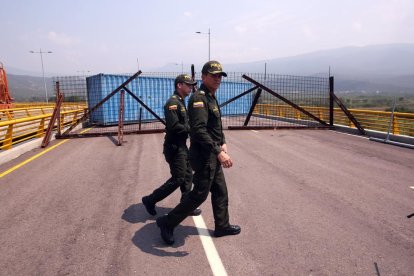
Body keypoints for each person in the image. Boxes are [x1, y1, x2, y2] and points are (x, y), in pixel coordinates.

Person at [156, 61, 240, 245]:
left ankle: (222, 226)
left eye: (220, 76)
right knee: (199, 195)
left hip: (213, 152)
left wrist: (223, 142)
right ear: (203, 77)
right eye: (214, 75)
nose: (218, 79)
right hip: (205, 155)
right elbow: (199, 130)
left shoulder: (211, 96)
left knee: (220, 191)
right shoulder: (199, 99)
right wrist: (218, 150)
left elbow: (215, 125)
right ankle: (167, 222)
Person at [142, 74, 201, 217]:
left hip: (181, 146)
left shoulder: (181, 102)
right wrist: (193, 129)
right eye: (188, 84)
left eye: (192, 85)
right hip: (174, 147)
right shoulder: (173, 103)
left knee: (187, 176)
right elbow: (175, 126)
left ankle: (186, 206)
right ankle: (150, 199)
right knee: (179, 178)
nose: (191, 87)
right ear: (179, 85)